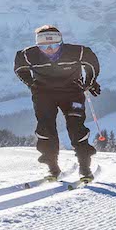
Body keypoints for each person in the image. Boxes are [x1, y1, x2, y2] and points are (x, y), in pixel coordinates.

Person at [12, 23, 101, 178]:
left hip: (72, 92)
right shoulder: (28, 55)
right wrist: (31, 83)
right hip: (44, 94)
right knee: (45, 128)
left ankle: (84, 167)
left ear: (61, 43)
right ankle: (52, 167)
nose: (50, 50)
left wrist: (90, 82)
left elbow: (91, 63)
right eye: (43, 46)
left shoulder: (76, 52)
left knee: (76, 127)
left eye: (54, 45)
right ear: (37, 45)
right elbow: (19, 68)